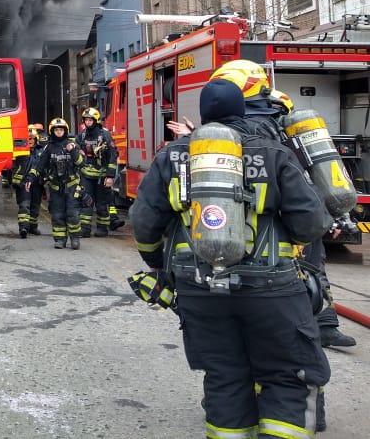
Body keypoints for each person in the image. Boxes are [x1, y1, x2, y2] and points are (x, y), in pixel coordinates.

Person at [131, 79, 332, 438]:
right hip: (273, 289)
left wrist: (157, 265)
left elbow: (145, 223)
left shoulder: (173, 155)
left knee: (224, 375)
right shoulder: (273, 152)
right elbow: (310, 221)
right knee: (286, 375)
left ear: (203, 115)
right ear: (241, 110)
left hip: (198, 288)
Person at [211, 64, 357, 349]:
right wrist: (328, 215)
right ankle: (321, 324)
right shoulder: (278, 116)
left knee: (291, 268)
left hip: (269, 209)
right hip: (297, 206)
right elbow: (310, 171)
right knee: (311, 265)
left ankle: (312, 325)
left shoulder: (241, 126)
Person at [35, 118, 84, 249]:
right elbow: (40, 165)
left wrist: (73, 150)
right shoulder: (49, 147)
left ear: (65, 130)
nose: (58, 132)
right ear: (52, 131)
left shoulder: (73, 144)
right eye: (56, 130)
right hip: (56, 187)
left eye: (61, 129)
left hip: (72, 186)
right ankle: (60, 239)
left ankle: (75, 239)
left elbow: (81, 163)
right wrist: (30, 178)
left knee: (72, 214)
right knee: (57, 215)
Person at [76, 107, 120, 236]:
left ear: (96, 120)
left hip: (102, 175)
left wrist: (110, 176)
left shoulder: (104, 135)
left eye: (90, 120)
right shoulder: (82, 135)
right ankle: (84, 229)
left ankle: (102, 228)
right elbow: (76, 151)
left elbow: (113, 155)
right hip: (86, 175)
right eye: (86, 120)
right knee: (86, 201)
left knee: (102, 203)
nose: (88, 122)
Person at [10, 124, 45, 238]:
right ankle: (23, 228)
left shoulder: (41, 151)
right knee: (24, 205)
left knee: (35, 206)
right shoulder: (19, 152)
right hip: (24, 183)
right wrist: (16, 181)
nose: (30, 140)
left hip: (37, 183)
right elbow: (13, 167)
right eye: (27, 138)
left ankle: (33, 227)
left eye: (31, 138)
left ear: (36, 139)